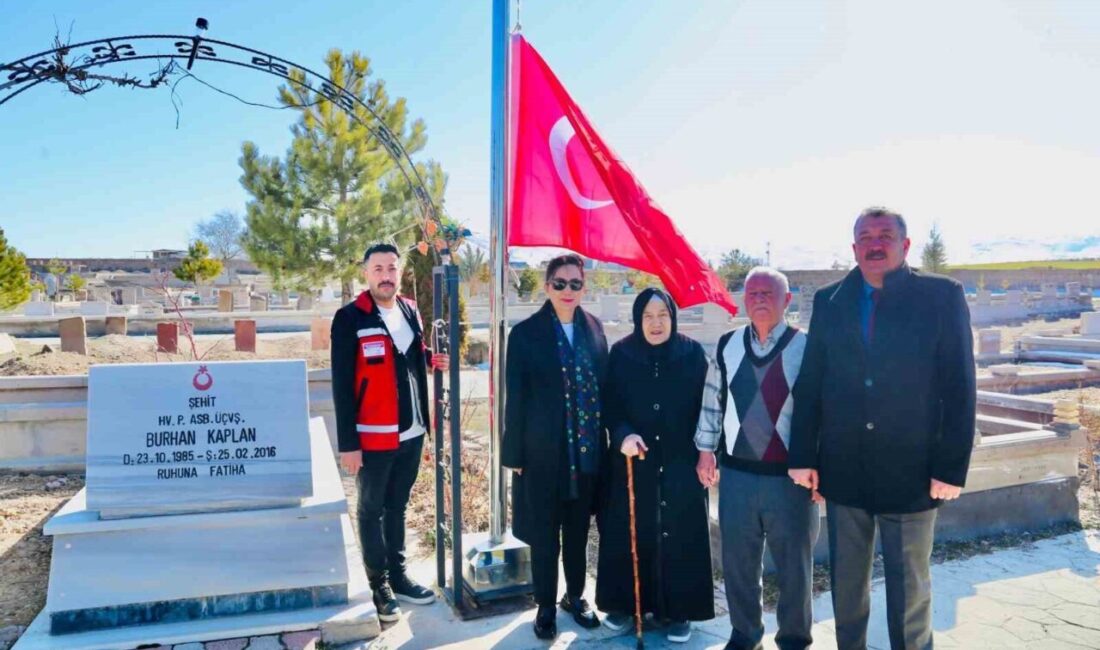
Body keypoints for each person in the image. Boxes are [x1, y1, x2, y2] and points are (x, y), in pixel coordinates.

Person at [788, 207, 976, 650]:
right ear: (854, 248)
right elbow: (812, 381)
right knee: (847, 588)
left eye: (885, 235)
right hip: (845, 469)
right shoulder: (830, 301)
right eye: (865, 237)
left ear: (905, 245)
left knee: (910, 591)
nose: (875, 244)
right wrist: (803, 457)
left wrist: (951, 467)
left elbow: (960, 385)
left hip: (912, 471)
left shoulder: (940, 296)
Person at [695, 267, 820, 650]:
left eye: (769, 293)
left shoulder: (808, 347)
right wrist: (705, 450)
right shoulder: (727, 345)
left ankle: (795, 638)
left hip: (791, 480)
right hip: (737, 475)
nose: (760, 299)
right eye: (752, 294)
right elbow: (712, 401)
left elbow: (823, 412)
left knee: (795, 566)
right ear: (743, 301)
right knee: (738, 564)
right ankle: (746, 634)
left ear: (787, 300)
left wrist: (823, 469)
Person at [331, 243, 449, 622]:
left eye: (392, 268)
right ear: (366, 273)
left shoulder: (408, 308)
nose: (386, 275)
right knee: (370, 510)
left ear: (399, 272)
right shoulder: (350, 318)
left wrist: (432, 358)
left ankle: (398, 576)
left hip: (412, 431)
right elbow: (341, 384)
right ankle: (378, 583)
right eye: (378, 268)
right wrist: (349, 444)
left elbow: (410, 356)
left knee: (397, 505)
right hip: (373, 435)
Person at [596, 288, 714, 644]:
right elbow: (610, 405)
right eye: (648, 316)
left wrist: (707, 452)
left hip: (681, 461)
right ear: (637, 319)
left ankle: (679, 610)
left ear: (673, 317)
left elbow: (709, 407)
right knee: (630, 529)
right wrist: (624, 435)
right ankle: (624, 605)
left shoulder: (692, 354)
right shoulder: (621, 354)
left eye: (662, 315)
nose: (656, 323)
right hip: (634, 460)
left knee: (680, 532)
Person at [502, 254, 609, 640]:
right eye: (560, 283)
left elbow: (605, 390)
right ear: (547, 287)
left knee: (578, 532)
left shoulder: (595, 330)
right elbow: (515, 398)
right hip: (541, 454)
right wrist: (513, 454)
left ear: (584, 287)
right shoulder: (526, 334)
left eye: (575, 284)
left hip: (586, 455)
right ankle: (545, 605)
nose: (568, 290)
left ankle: (575, 597)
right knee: (545, 535)